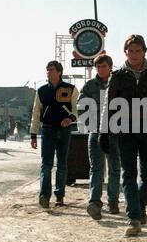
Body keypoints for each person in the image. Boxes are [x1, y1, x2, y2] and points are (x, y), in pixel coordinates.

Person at [99, 35, 147, 236]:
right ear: (125, 52)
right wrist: (104, 132)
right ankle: (133, 217)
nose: (134, 54)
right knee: (129, 174)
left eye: (138, 50)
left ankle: (140, 208)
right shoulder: (118, 76)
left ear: (144, 52)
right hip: (125, 131)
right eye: (130, 51)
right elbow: (108, 105)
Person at [30, 61, 79, 209]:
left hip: (64, 131)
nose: (48, 72)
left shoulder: (71, 89)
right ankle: (44, 197)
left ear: (59, 72)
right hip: (47, 130)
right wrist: (33, 134)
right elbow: (36, 112)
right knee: (46, 165)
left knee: (62, 164)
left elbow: (77, 110)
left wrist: (69, 119)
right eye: (47, 70)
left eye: (51, 70)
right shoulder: (41, 91)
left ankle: (60, 196)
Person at [78, 53, 121, 220]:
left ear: (110, 67)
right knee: (96, 169)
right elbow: (81, 106)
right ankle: (95, 202)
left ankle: (113, 201)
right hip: (95, 132)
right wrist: (90, 124)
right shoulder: (89, 86)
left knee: (114, 168)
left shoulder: (118, 83)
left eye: (104, 66)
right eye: (98, 66)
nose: (101, 69)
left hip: (115, 132)